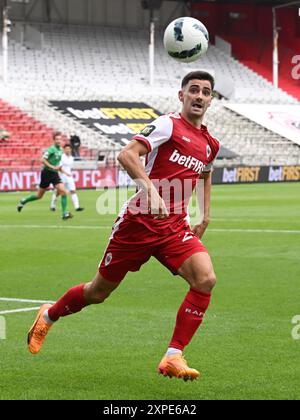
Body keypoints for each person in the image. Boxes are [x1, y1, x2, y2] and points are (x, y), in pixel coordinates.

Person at [27, 71, 220, 381]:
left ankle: (173, 355)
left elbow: (206, 175)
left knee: (205, 279)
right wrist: (150, 190)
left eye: (206, 92)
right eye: (193, 90)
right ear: (181, 95)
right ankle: (48, 314)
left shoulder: (210, 143)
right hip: (138, 223)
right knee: (97, 292)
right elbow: (127, 154)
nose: (199, 95)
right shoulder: (168, 125)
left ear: (211, 100)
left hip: (173, 228)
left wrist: (205, 215)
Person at [17, 132, 73, 220]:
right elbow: (42, 159)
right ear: (54, 140)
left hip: (54, 174)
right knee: (39, 196)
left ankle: (64, 214)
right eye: (57, 139)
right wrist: (52, 166)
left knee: (63, 191)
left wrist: (64, 172)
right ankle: (23, 201)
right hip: (46, 173)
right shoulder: (51, 149)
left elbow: (57, 164)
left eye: (60, 139)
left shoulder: (61, 150)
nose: (59, 141)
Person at [50, 144, 84, 212]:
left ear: (70, 150)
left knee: (73, 191)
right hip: (62, 177)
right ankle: (52, 205)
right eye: (66, 149)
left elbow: (69, 168)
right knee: (58, 192)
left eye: (69, 149)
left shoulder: (71, 158)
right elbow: (59, 168)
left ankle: (77, 207)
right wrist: (65, 173)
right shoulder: (61, 157)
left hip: (69, 177)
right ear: (64, 150)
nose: (68, 150)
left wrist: (68, 174)